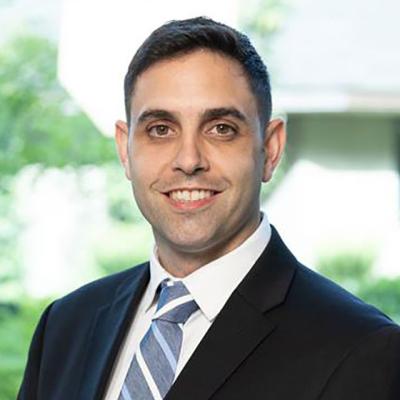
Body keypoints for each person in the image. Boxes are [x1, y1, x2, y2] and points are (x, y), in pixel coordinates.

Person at [18, 16, 400, 400]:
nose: (188, 159)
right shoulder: (65, 327)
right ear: (125, 149)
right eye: (160, 129)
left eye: (220, 128)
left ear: (270, 149)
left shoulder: (361, 350)